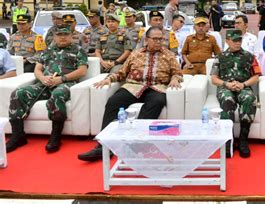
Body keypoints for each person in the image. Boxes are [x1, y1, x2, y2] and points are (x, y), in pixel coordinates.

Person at [78, 27, 183, 162]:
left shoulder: (169, 55)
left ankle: (136, 143)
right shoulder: (135, 54)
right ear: (146, 40)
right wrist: (109, 78)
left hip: (157, 87)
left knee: (157, 102)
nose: (159, 42)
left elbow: (177, 73)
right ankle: (103, 146)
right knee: (113, 102)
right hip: (134, 86)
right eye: (155, 39)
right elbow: (122, 72)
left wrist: (175, 78)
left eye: (161, 39)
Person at [6, 25, 88, 153]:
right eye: (59, 35)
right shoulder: (47, 50)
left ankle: (55, 136)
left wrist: (61, 79)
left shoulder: (78, 50)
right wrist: (42, 78)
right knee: (18, 93)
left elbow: (82, 71)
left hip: (66, 83)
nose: (63, 38)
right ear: (54, 37)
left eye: (65, 35)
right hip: (45, 83)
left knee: (57, 95)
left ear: (71, 36)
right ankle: (18, 135)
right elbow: (37, 69)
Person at [211, 29, 260, 158]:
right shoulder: (220, 57)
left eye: (239, 40)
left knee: (249, 99)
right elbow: (214, 79)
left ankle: (243, 140)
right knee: (227, 100)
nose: (237, 43)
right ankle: (229, 140)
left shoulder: (249, 56)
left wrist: (243, 84)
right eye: (234, 41)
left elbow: (256, 76)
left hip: (243, 86)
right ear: (227, 41)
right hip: (225, 87)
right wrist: (226, 84)